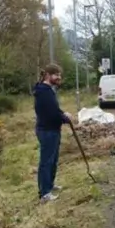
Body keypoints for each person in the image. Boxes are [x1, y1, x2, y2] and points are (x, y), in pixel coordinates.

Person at [33, 63, 73, 203]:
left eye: (59, 75)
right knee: (46, 162)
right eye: (56, 74)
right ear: (48, 75)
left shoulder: (48, 90)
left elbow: (54, 109)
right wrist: (64, 118)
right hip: (47, 131)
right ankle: (44, 193)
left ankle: (49, 185)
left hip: (52, 130)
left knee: (53, 160)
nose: (59, 77)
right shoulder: (44, 91)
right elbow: (51, 114)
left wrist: (63, 114)